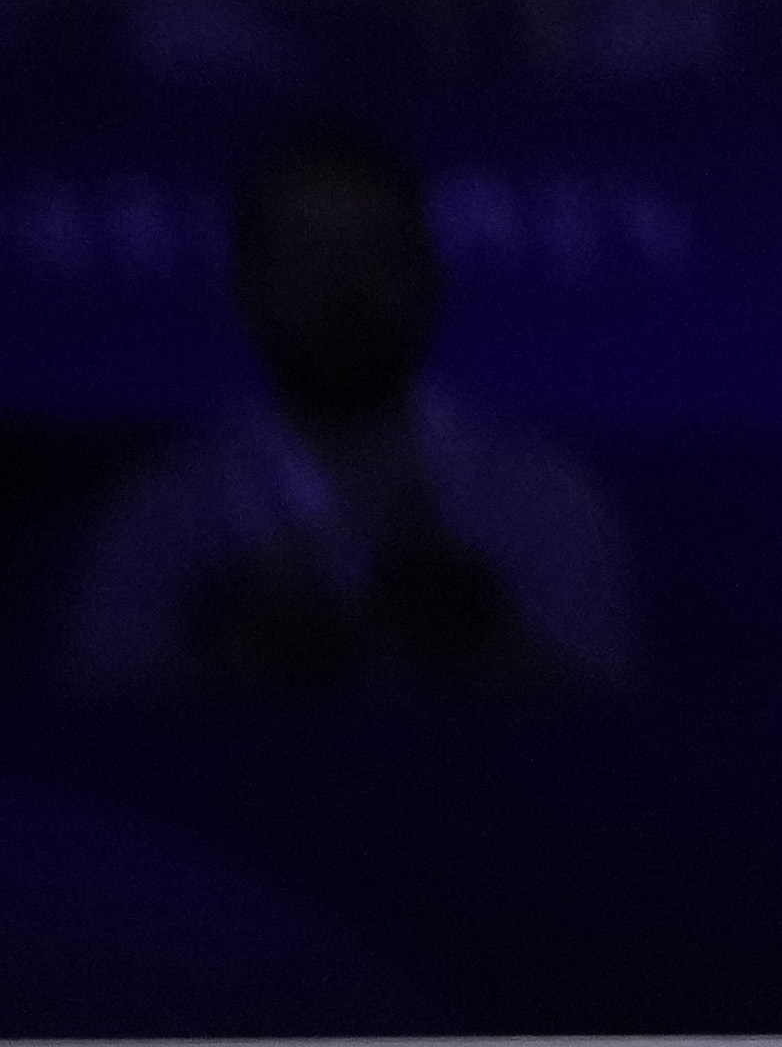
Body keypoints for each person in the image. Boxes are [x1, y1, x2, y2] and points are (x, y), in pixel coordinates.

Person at [56, 123, 636, 696]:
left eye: (374, 251)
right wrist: (224, 666)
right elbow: (80, 746)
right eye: (304, 254)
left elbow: (621, 745)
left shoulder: (546, 502)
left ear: (429, 276)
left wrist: (478, 643)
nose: (342, 286)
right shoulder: (158, 517)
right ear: (246, 288)